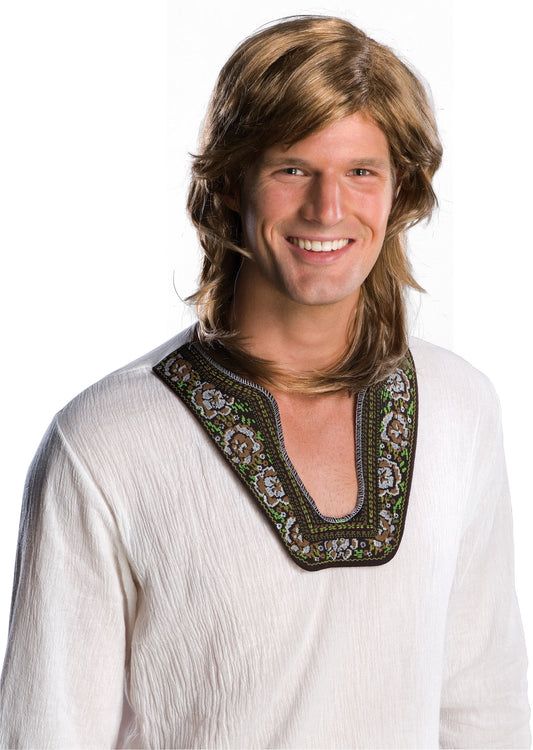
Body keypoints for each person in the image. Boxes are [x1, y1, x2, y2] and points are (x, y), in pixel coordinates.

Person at [0, 14, 530, 749]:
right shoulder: (105, 443)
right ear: (229, 184)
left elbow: (484, 712)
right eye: (292, 169)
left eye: (360, 172)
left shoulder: (460, 407)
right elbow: (47, 733)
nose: (327, 208)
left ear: (398, 188)